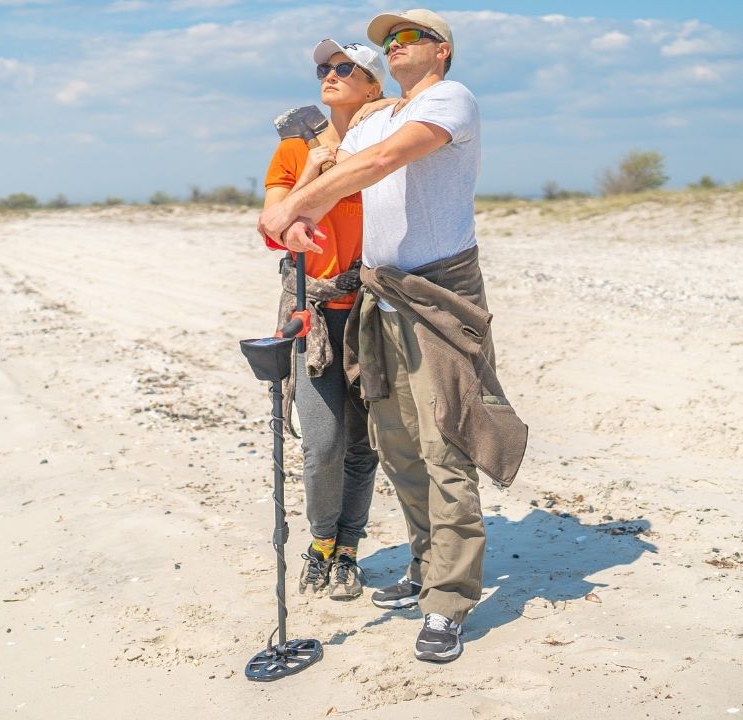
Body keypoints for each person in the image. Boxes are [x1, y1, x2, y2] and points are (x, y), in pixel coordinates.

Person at [257, 9, 528, 662]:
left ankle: (450, 600)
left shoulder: (450, 101)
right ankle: (426, 561)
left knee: (446, 444)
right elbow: (326, 179)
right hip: (380, 294)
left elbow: (383, 162)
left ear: (441, 53)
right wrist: (292, 215)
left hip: (439, 294)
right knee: (396, 444)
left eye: (409, 38)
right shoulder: (375, 116)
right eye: (389, 41)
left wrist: (298, 203)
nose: (395, 46)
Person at [261, 39, 385, 601]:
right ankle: (320, 540)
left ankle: (349, 548)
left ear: (373, 86)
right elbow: (271, 224)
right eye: (323, 69)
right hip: (311, 314)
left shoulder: (386, 148)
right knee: (323, 442)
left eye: (343, 68)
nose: (328, 74)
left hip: (374, 313)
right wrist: (313, 169)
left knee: (365, 444)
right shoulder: (294, 150)